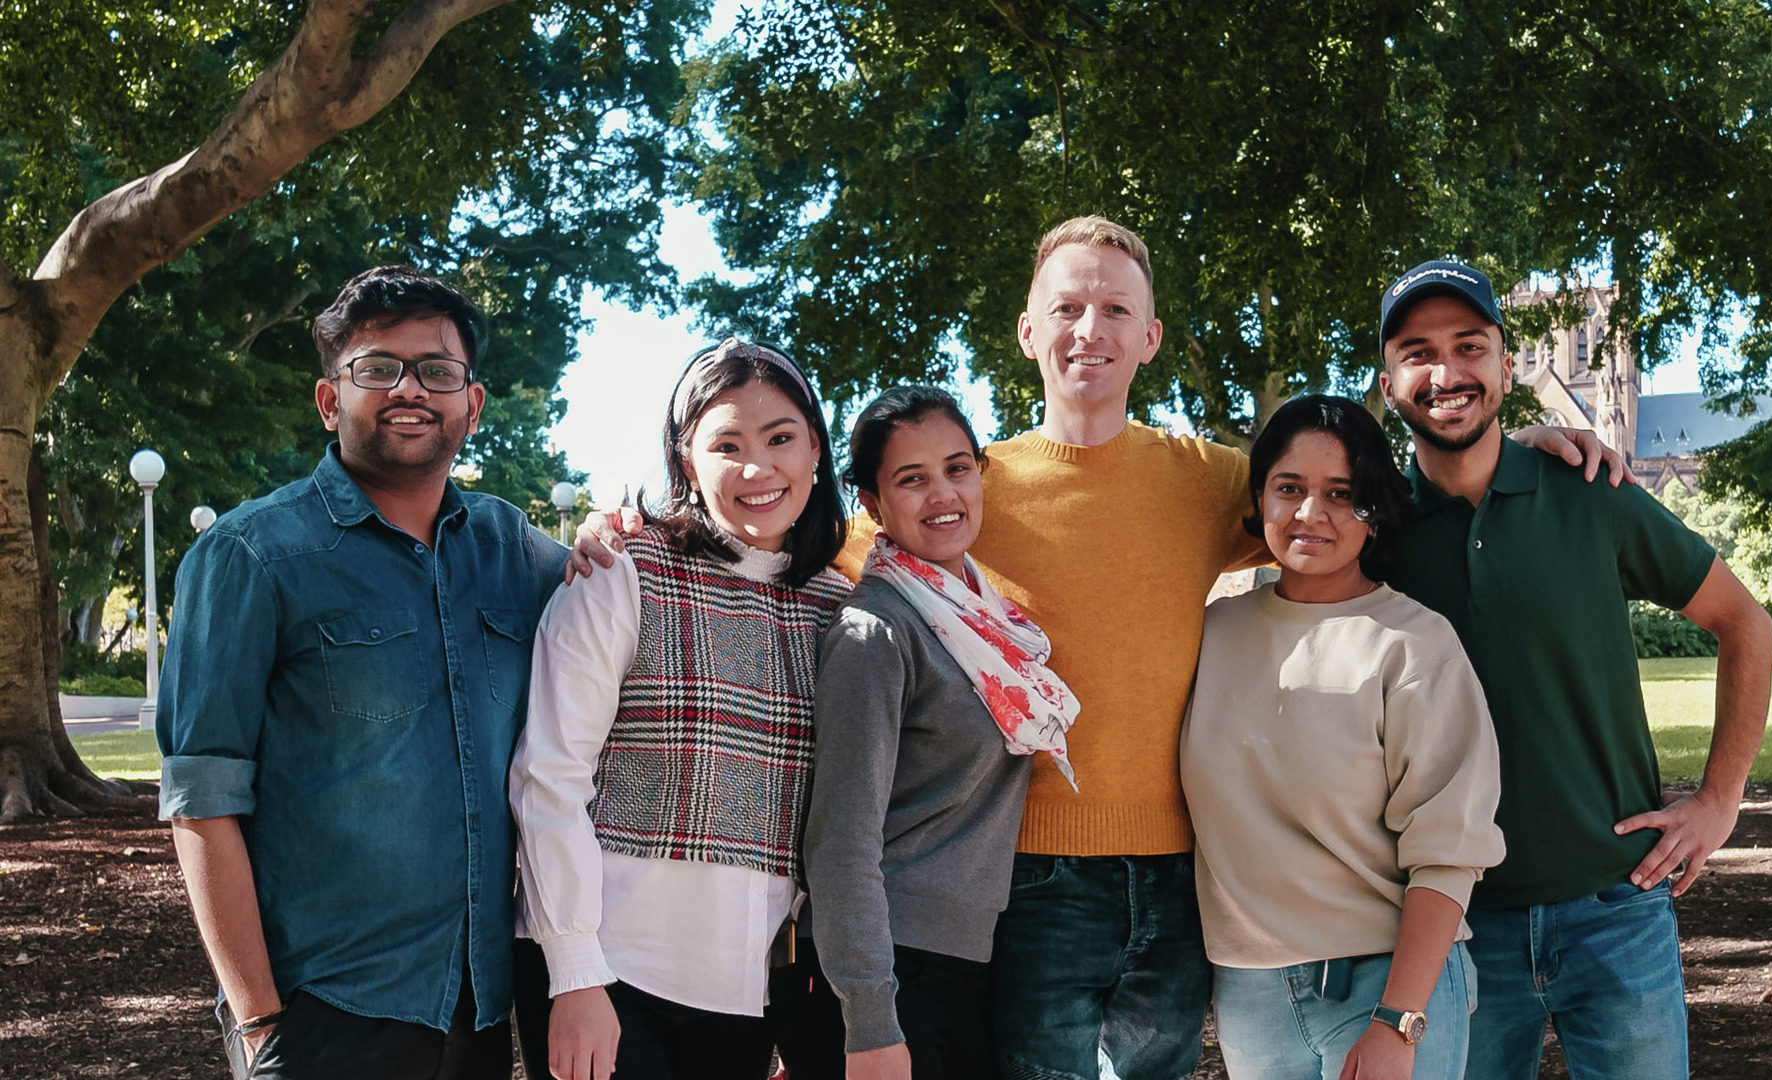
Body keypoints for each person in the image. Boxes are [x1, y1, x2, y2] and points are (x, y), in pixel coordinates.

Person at [571, 220, 1628, 1080]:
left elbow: (1336, 486)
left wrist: (1513, 446)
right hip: (1024, 872)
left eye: (1116, 308)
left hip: (1177, 873)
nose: (1091, 329)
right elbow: (773, 521)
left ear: (1152, 335)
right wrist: (625, 525)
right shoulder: (954, 491)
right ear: (1028, 331)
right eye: (1067, 308)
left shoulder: (1209, 478)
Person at [157, 266, 567, 1079]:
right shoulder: (248, 554)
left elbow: (634, 596)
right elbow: (202, 803)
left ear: (471, 405)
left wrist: (625, 531)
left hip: (479, 1006)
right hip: (323, 1011)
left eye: (437, 371)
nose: (409, 389)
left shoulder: (513, 549)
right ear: (328, 399)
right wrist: (258, 1022)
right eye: (377, 368)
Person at [1371, 260, 1772, 1080]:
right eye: (1418, 352)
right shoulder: (1375, 534)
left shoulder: (1591, 490)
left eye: (1468, 346)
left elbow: (1746, 624)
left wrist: (1720, 802)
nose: (1446, 372)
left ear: (1508, 362)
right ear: (1388, 384)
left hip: (1617, 905)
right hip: (1450, 928)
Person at [509, 338, 851, 1080]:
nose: (758, 468)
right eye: (726, 444)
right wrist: (573, 972)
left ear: (815, 450)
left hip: (750, 992)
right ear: (686, 461)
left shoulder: (840, 610)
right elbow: (549, 774)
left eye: (780, 438)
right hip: (609, 975)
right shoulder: (621, 570)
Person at [1182, 394, 1505, 1080]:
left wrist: (1399, 1020)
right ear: (1260, 496)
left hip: (1386, 982)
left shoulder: (1415, 643)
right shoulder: (1210, 633)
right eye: (1289, 488)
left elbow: (1449, 852)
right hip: (1247, 992)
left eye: (1342, 494)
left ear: (1376, 509)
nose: (1311, 513)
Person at [806, 386, 1078, 1080]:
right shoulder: (876, 631)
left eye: (957, 468)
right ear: (872, 503)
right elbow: (840, 841)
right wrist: (869, 1017)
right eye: (911, 479)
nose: (942, 494)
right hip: (888, 972)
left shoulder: (989, 624)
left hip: (963, 964)